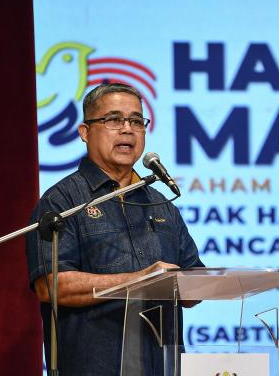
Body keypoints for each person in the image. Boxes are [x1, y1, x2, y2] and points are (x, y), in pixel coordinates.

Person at [26, 83, 204, 375]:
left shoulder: (162, 205)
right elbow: (51, 286)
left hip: (163, 367)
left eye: (136, 121)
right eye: (114, 119)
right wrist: (140, 280)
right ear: (85, 132)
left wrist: (211, 283)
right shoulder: (62, 201)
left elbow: (193, 287)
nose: (127, 129)